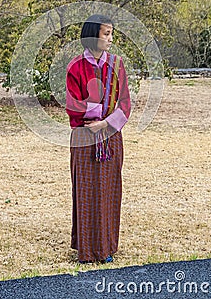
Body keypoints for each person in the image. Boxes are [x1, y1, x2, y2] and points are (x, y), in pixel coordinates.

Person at [65, 14, 131, 263]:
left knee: (108, 190)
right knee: (85, 190)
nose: (111, 39)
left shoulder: (117, 64)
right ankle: (86, 249)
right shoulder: (75, 67)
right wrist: (94, 115)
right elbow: (73, 104)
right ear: (93, 35)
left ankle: (106, 248)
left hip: (110, 136)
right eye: (106, 34)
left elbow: (125, 102)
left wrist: (105, 122)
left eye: (111, 33)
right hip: (84, 138)